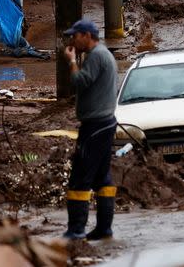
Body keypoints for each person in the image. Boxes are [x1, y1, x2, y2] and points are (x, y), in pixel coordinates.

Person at [62, 19, 118, 240]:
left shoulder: (96, 56)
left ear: (86, 35)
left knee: (80, 177)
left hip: (95, 125)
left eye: (75, 36)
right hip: (105, 122)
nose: (72, 40)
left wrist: (71, 61)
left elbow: (80, 81)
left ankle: (76, 229)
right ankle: (104, 228)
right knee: (102, 177)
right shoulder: (103, 55)